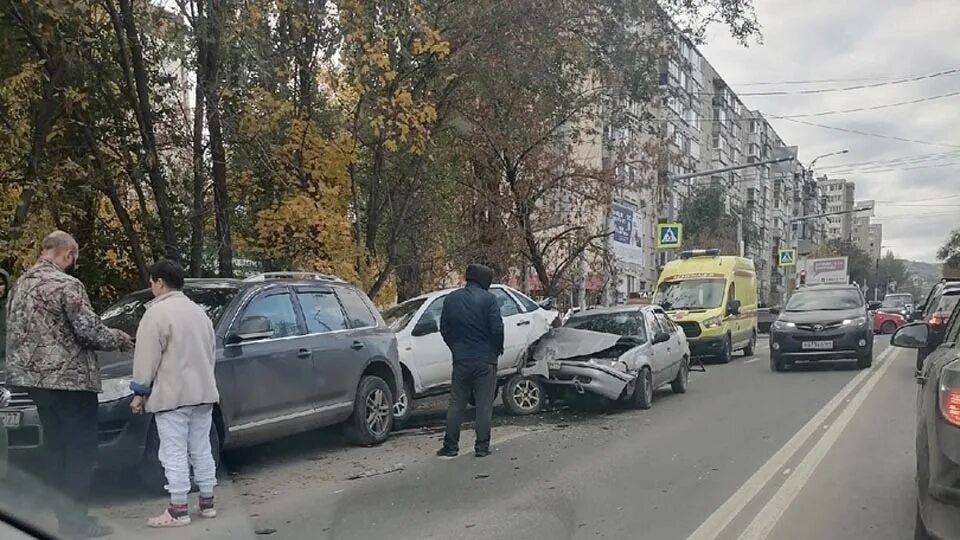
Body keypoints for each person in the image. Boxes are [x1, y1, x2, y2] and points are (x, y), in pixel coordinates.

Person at [5, 231, 133, 539]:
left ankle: (62, 516)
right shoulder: (67, 285)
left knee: (56, 449)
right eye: (73, 259)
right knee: (80, 452)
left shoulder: (19, 286)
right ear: (68, 254)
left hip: (34, 382)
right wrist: (120, 337)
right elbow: (89, 331)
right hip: (70, 382)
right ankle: (76, 524)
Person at [129, 259, 220, 528]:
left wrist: (139, 393)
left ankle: (178, 509)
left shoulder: (156, 314)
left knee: (174, 452)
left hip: (172, 396)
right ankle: (207, 501)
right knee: (201, 447)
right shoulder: (200, 313)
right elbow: (211, 354)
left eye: (152, 282)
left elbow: (147, 358)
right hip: (204, 393)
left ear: (159, 282)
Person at [436, 264, 504, 458]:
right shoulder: (489, 300)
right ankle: (481, 447)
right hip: (485, 360)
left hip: (461, 359)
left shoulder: (451, 299)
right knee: (484, 404)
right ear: (485, 280)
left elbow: (444, 329)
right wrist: (496, 350)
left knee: (456, 403)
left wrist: (456, 348)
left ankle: (450, 446)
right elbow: (497, 330)